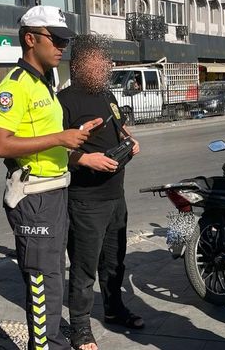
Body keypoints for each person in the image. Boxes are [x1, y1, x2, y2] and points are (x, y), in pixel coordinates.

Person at [0, 5, 101, 350]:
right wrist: (59, 138)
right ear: (30, 39)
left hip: (54, 192)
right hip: (34, 197)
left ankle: (51, 342)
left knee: (53, 278)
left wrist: (74, 140)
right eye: (56, 39)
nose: (62, 47)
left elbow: (46, 140)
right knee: (42, 282)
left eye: (65, 41)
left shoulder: (44, 84)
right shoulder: (16, 86)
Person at [59, 34, 141, 350]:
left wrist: (130, 140)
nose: (105, 65)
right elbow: (57, 151)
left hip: (114, 195)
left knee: (114, 263)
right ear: (80, 64)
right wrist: (86, 159)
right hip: (85, 200)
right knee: (83, 269)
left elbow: (118, 127)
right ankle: (80, 328)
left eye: (105, 60)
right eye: (99, 60)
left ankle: (114, 309)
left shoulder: (107, 95)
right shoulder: (64, 101)